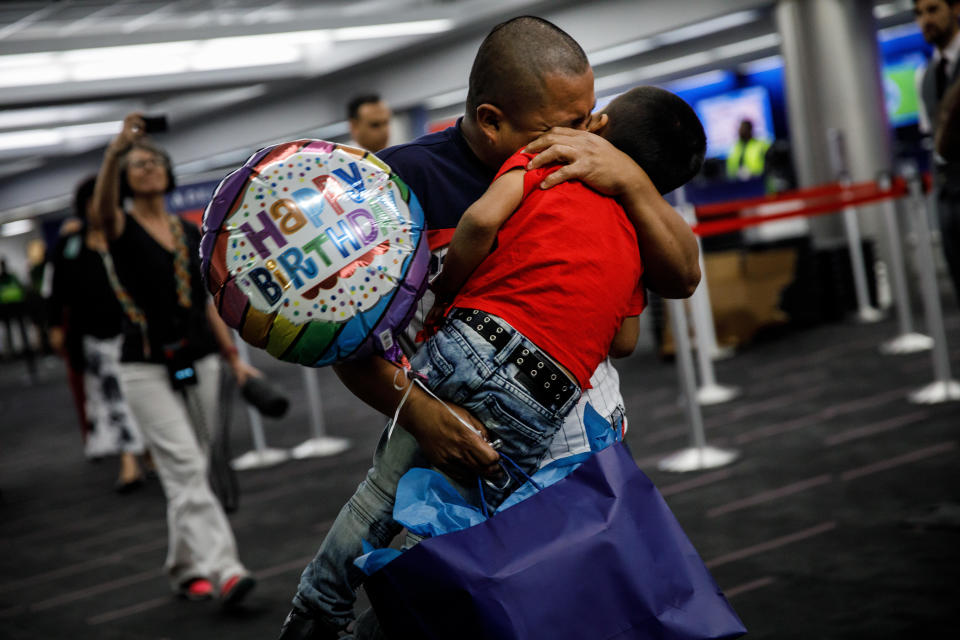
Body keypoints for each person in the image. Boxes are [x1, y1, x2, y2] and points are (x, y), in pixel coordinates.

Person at [280, 16, 701, 639]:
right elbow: (346, 336)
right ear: (490, 120)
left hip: (581, 441)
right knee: (446, 588)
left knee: (575, 609)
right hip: (455, 422)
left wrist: (632, 180)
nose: (583, 136)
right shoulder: (398, 188)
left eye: (590, 117)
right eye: (561, 126)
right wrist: (424, 416)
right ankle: (321, 615)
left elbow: (684, 274)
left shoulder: (600, 168)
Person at [418, 86, 705, 506]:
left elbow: (479, 222)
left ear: (599, 123)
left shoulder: (542, 161)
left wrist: (451, 289)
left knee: (419, 504)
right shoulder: (631, 223)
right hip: (578, 415)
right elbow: (625, 341)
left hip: (459, 371)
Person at [90, 116, 259, 604]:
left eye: (155, 162)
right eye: (138, 164)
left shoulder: (188, 234)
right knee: (184, 464)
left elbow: (206, 303)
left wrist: (233, 359)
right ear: (125, 177)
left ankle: (184, 567)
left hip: (200, 355)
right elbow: (102, 211)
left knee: (191, 467)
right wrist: (113, 152)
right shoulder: (118, 227)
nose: (148, 168)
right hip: (143, 365)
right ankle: (225, 569)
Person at [48, 176, 148, 490]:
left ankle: (149, 450)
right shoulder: (70, 243)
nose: (96, 207)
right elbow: (56, 290)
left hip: (135, 332)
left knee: (143, 393)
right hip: (94, 336)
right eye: (90, 201)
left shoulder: (127, 235)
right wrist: (53, 327)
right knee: (112, 399)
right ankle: (129, 459)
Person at [915, 0, 960, 302]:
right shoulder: (925, 77)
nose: (925, 20)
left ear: (955, 8)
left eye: (933, 10)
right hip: (949, 203)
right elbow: (934, 139)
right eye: (918, 14)